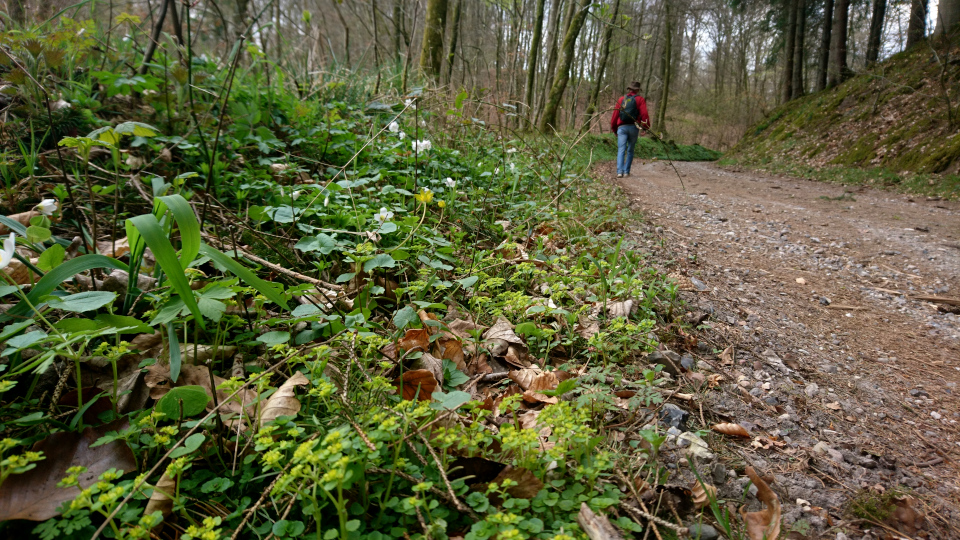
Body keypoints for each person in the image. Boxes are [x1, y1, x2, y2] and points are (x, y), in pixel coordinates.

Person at [610, 82, 651, 178]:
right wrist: (645, 127)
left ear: (629, 89)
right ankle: (626, 172)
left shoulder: (621, 99)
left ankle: (619, 171)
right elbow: (644, 114)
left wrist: (614, 129)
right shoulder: (640, 100)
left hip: (621, 128)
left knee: (621, 149)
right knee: (630, 150)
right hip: (634, 127)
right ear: (637, 90)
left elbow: (615, 115)